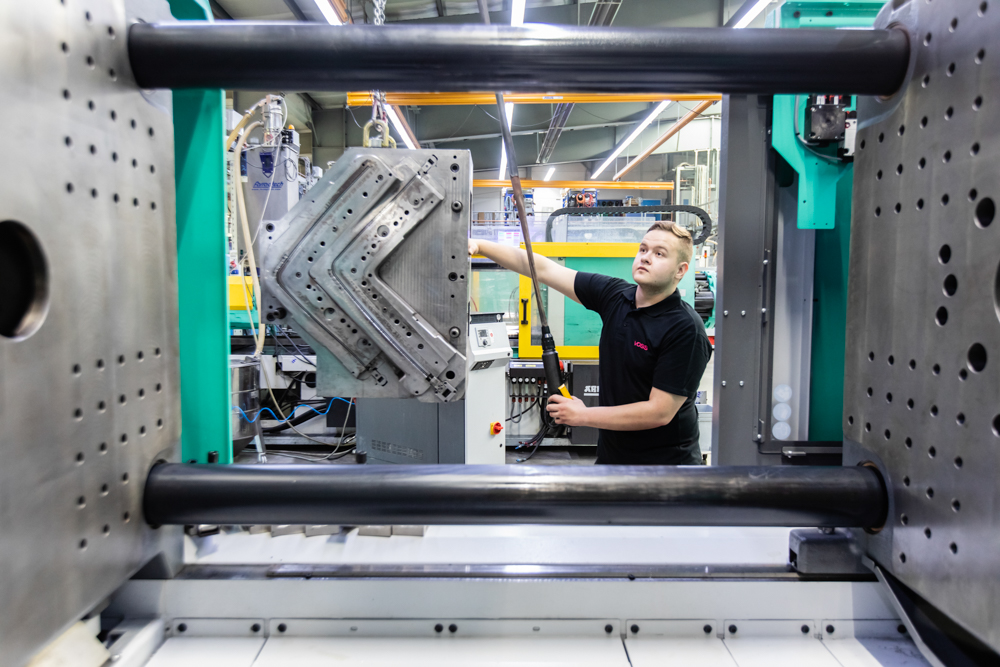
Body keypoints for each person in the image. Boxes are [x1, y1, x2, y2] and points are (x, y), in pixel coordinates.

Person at [468, 222, 711, 465]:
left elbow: (659, 412)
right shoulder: (616, 296)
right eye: (643, 249)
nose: (646, 258)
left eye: (659, 254)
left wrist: (584, 415)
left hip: (667, 468)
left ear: (681, 270)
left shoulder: (685, 328)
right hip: (613, 457)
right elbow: (540, 267)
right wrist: (479, 245)